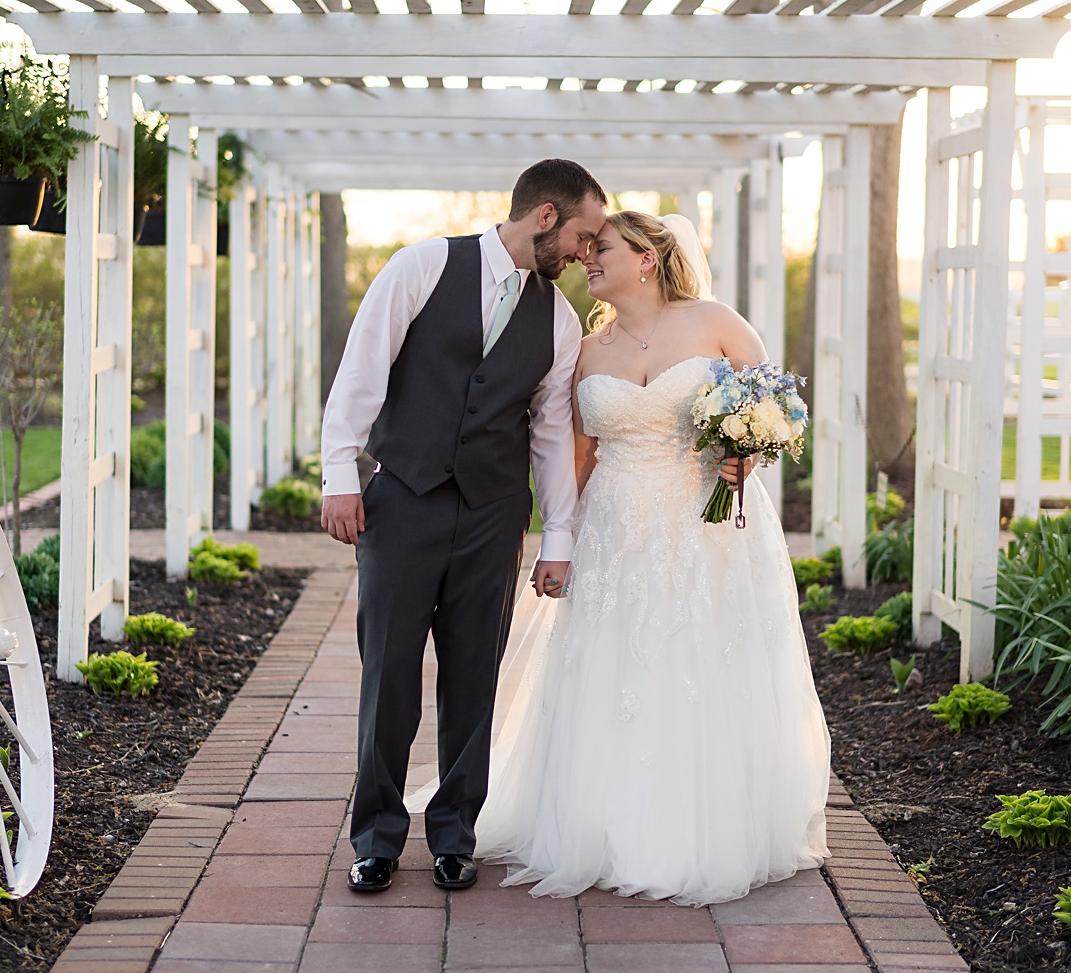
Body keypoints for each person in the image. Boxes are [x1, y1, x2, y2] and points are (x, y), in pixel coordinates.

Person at [475, 211, 832, 906]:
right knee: (614, 665)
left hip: (706, 529)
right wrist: (560, 539)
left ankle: (698, 829)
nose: (586, 260)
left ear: (645, 257)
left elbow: (775, 409)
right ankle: (604, 826)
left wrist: (745, 458)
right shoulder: (585, 348)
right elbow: (578, 453)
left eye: (599, 248)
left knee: (699, 662)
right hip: (615, 526)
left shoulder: (715, 321)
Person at [319, 159, 609, 893]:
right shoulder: (421, 266)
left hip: (492, 515)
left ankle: (455, 834)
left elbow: (548, 434)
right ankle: (376, 839)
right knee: (388, 673)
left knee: (474, 675)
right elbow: (361, 373)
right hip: (403, 500)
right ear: (544, 216)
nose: (585, 252)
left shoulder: (561, 321)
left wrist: (559, 538)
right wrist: (340, 476)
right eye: (581, 235)